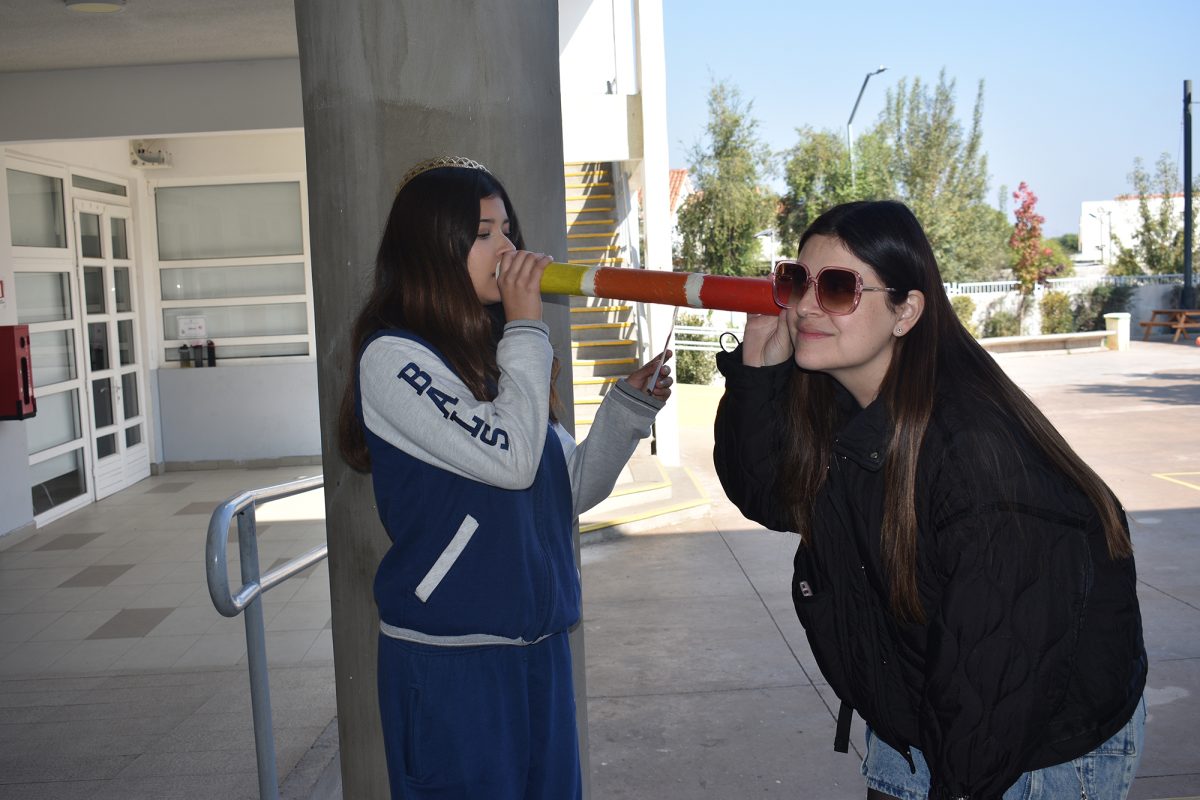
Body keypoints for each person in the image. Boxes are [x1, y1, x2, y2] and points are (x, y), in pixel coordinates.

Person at [713, 200, 1146, 800]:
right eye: (795, 280)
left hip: (1032, 753)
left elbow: (993, 682)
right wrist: (759, 368)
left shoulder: (980, 461)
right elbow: (769, 495)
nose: (806, 305)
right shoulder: (845, 406)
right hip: (917, 719)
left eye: (838, 287)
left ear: (906, 311)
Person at [338, 156, 673, 799]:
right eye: (487, 231)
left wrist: (626, 411)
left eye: (508, 228)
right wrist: (525, 326)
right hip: (451, 658)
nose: (509, 248)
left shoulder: (498, 356)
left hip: (538, 647)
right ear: (434, 247)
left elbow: (562, 489)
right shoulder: (395, 357)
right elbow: (516, 459)